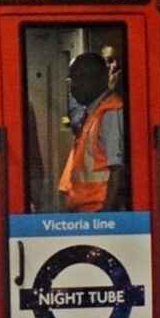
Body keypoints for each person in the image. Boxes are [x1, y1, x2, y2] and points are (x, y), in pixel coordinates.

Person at [61, 53, 125, 213]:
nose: (74, 86)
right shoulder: (91, 113)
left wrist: (106, 217)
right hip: (86, 214)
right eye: (72, 80)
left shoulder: (110, 111)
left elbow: (116, 170)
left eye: (81, 79)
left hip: (99, 215)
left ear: (100, 79)